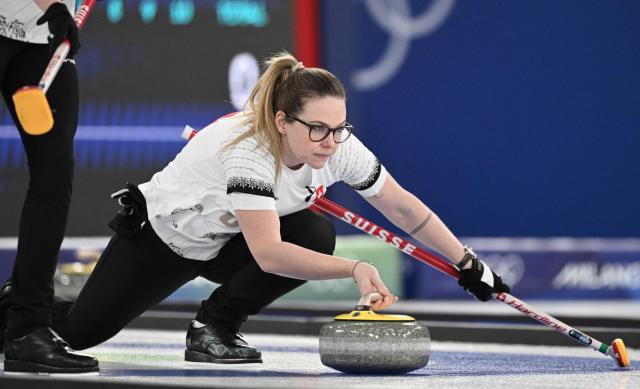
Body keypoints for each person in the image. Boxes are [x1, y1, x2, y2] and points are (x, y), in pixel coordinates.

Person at [4, 52, 510, 365]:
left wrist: (467, 262)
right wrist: (358, 268)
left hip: (229, 242)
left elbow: (402, 208)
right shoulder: (248, 149)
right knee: (79, 333)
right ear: (282, 120)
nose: (331, 142)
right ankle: (12, 306)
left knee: (314, 233)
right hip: (165, 239)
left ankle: (214, 328)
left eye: (340, 128)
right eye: (318, 129)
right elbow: (268, 254)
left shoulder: (339, 147)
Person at [0, 0, 99, 374]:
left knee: (55, 173)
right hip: (41, 16)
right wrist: (56, 6)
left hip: (41, 37)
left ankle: (27, 327)